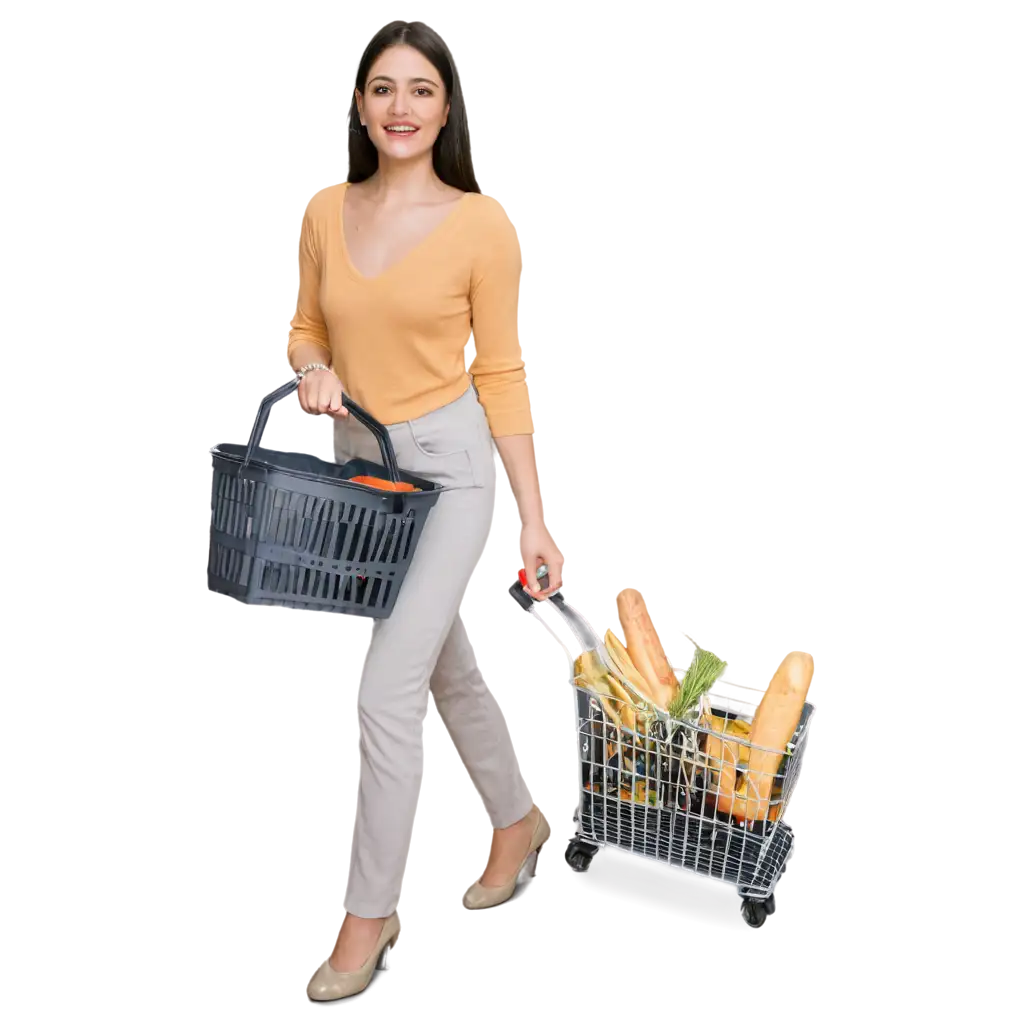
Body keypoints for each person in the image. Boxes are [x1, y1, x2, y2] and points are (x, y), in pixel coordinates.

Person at [282, 16, 565, 1007]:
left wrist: (532, 518)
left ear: (447, 110)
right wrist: (312, 365)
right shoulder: (323, 209)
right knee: (447, 663)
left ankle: (365, 912)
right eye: (384, 89)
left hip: (448, 469)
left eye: (422, 91)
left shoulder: (481, 222)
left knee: (384, 689)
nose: (401, 109)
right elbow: (305, 324)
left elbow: (502, 371)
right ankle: (516, 817)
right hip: (365, 474)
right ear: (359, 103)